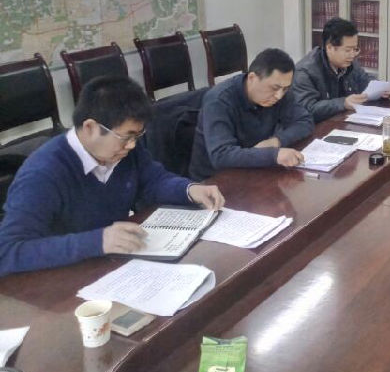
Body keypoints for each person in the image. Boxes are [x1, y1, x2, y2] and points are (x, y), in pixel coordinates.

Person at [0, 76, 224, 276]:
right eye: (126, 137)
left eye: (137, 136)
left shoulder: (123, 151)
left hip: (113, 265)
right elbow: (7, 252)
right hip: (61, 282)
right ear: (90, 127)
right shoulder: (43, 174)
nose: (132, 145)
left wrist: (189, 189)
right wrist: (98, 241)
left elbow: (154, 181)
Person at [189, 48, 314, 180]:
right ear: (252, 78)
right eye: (274, 88)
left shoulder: (280, 93)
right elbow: (221, 155)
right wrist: (273, 155)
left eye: (285, 89)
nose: (279, 96)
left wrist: (277, 141)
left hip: (254, 169)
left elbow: (305, 121)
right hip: (214, 180)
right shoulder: (219, 101)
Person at [293, 17, 390, 123]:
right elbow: (307, 110)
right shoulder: (304, 72)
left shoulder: (348, 62)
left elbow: (364, 80)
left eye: (355, 49)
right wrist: (343, 103)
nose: (352, 55)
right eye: (348, 50)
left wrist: (380, 89)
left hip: (342, 122)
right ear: (330, 48)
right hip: (317, 129)